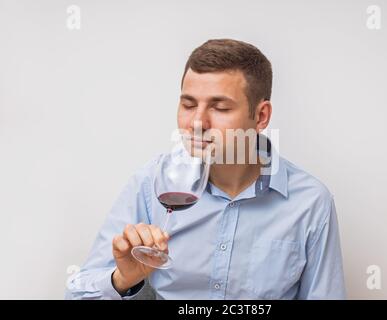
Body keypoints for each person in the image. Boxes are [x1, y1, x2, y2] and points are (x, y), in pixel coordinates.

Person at [65, 39, 346, 300]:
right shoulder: (152, 182)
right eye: (188, 105)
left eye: (220, 108)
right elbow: (76, 294)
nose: (197, 122)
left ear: (261, 116)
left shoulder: (310, 202)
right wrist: (122, 279)